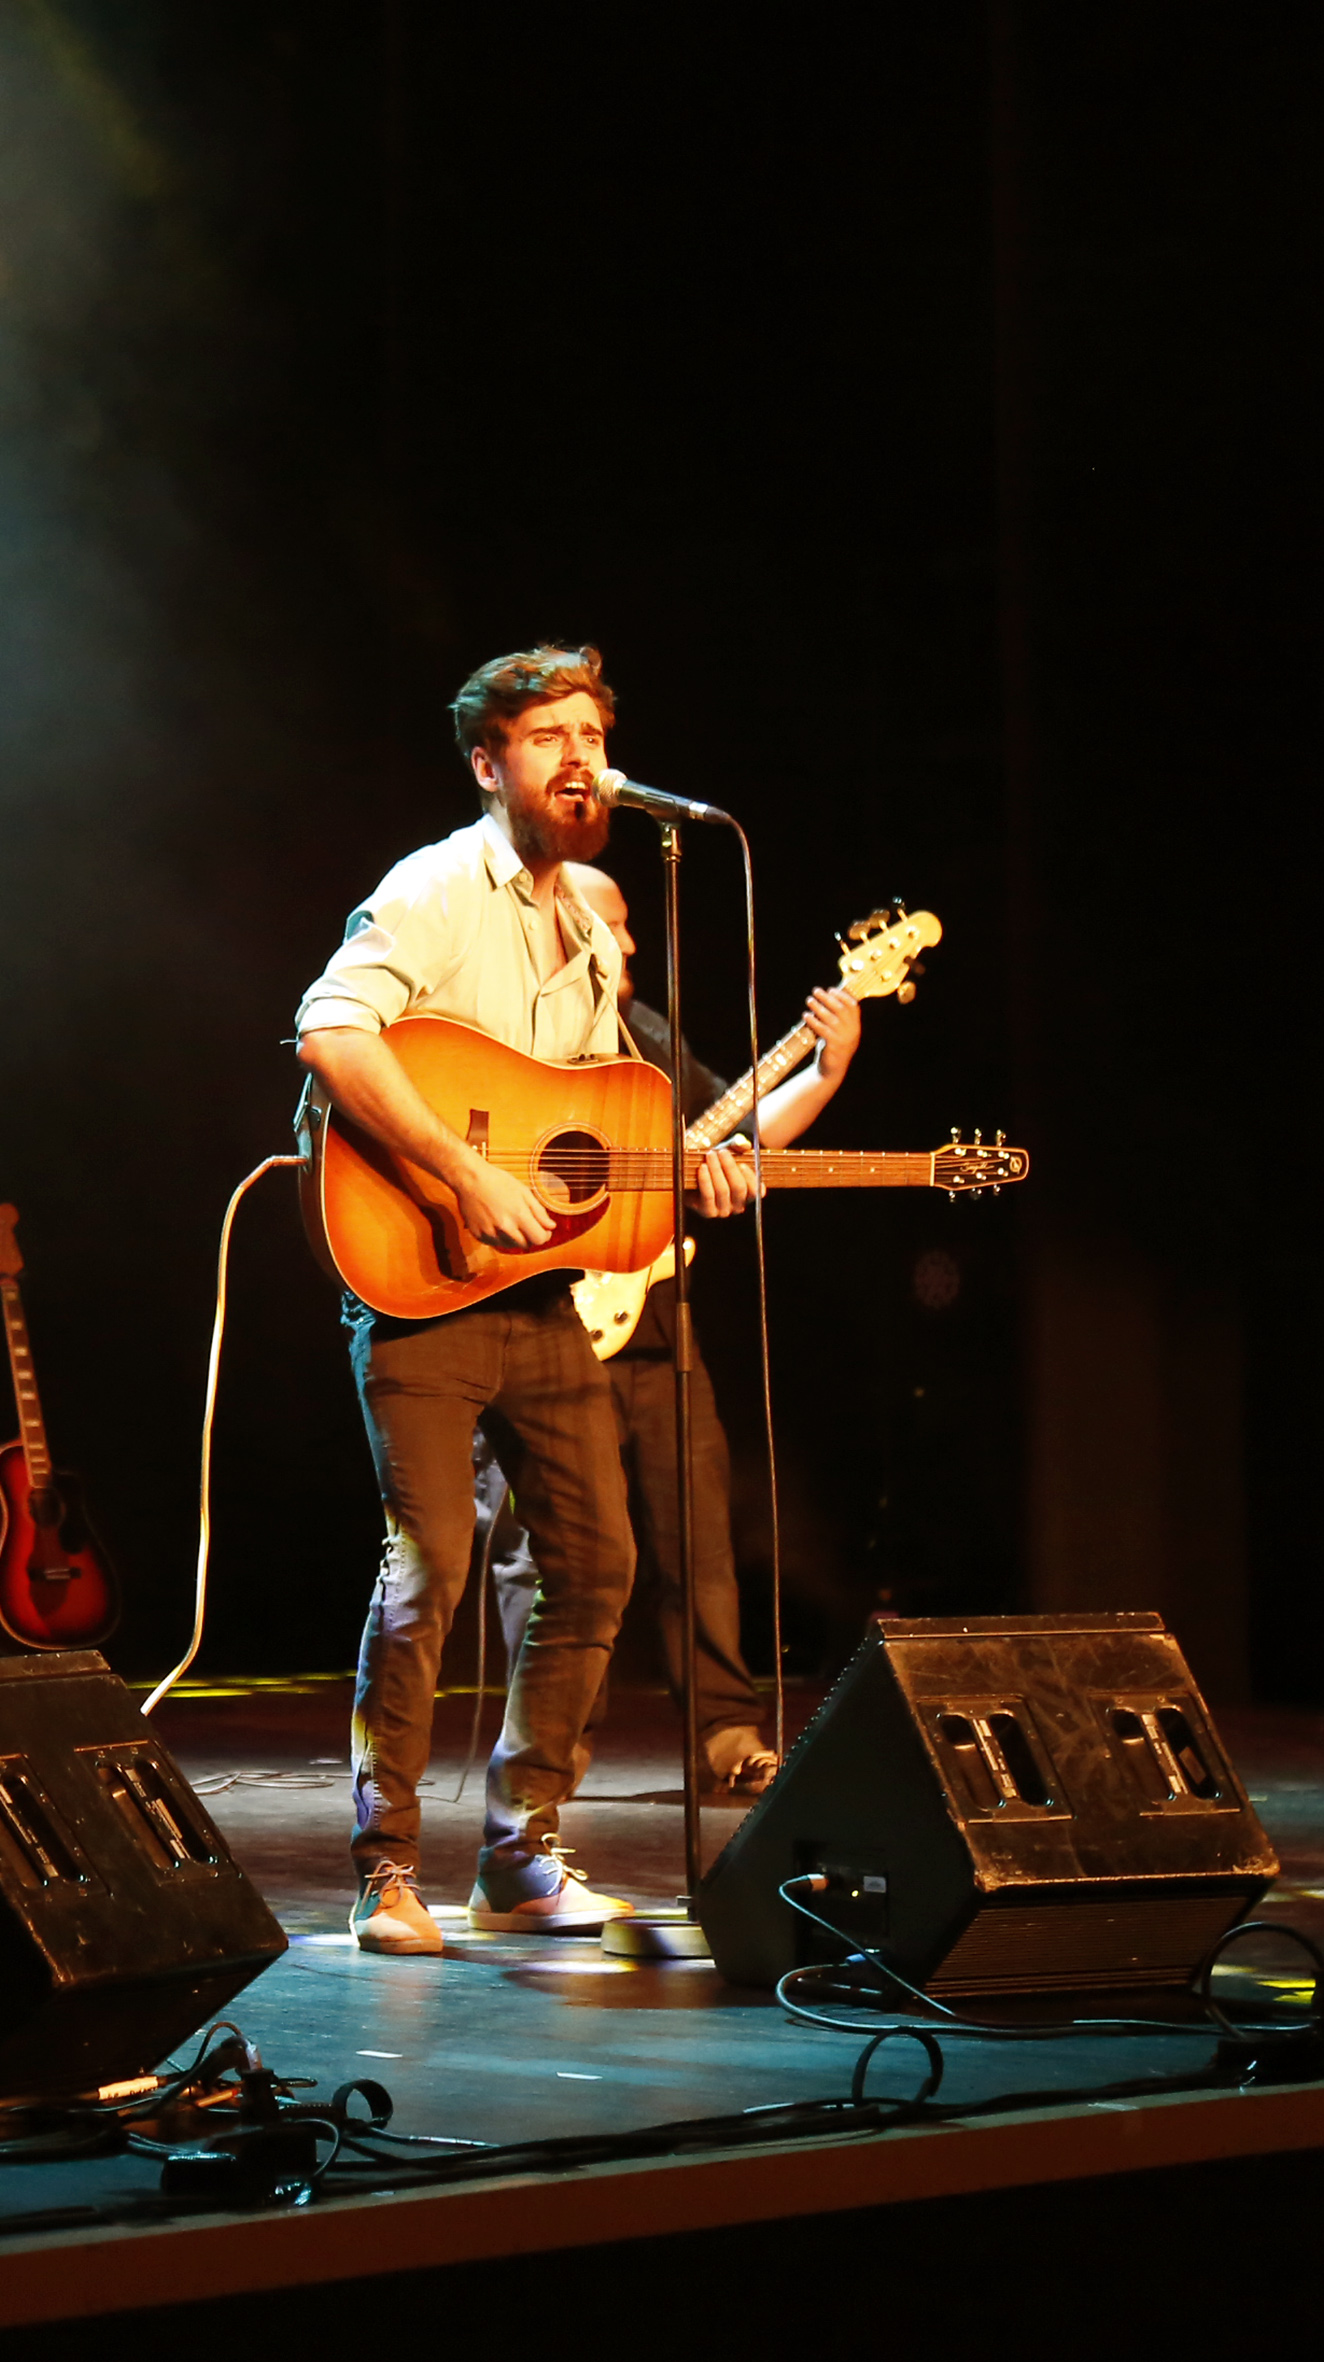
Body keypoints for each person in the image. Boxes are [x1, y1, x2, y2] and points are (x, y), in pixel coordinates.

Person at [295, 643, 755, 1957]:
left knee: (598, 1560)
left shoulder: (591, 927)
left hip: (541, 1299)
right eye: (548, 737)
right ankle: (387, 1867)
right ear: (489, 764)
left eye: (591, 736)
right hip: (420, 1283)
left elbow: (588, 1133)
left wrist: (693, 1176)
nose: (579, 760)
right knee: (431, 1563)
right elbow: (331, 1030)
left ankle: (520, 1848)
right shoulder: (437, 887)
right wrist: (458, 1171)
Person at [473, 862, 860, 1799]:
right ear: (561, 923)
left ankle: (726, 1731)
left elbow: (737, 1132)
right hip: (539, 1319)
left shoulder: (641, 1031)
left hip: (655, 1323)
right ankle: (551, 1742)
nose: (632, 942)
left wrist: (826, 1066)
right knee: (550, 1553)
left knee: (699, 1538)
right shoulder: (507, 1028)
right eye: (614, 923)